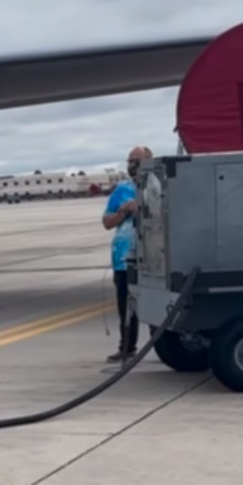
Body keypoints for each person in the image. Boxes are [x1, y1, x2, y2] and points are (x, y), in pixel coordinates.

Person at [101, 146, 148, 362]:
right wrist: (124, 210)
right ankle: (127, 346)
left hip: (151, 257)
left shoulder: (158, 186)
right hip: (123, 259)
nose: (132, 166)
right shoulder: (121, 190)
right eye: (130, 161)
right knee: (126, 305)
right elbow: (107, 223)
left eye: (137, 161)